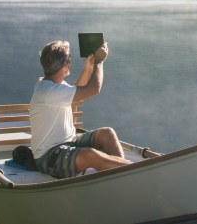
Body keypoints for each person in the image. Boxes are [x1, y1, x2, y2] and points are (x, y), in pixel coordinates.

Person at [29, 38, 131, 179]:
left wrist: (88, 67)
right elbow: (93, 89)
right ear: (65, 63)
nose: (70, 61)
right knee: (90, 155)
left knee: (107, 133)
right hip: (49, 157)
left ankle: (121, 176)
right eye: (69, 58)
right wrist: (99, 62)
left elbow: (77, 90)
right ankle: (130, 172)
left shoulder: (52, 84)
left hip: (69, 141)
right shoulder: (49, 92)